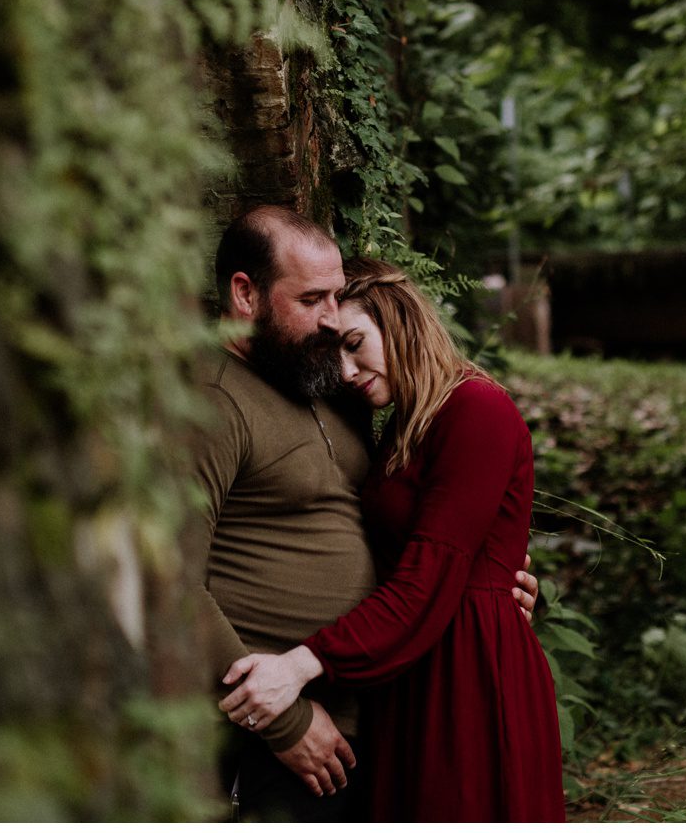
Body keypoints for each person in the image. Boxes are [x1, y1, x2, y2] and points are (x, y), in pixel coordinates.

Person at [186, 207, 536, 821]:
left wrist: (495, 574)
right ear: (245, 293)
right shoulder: (211, 401)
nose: (329, 319)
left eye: (338, 300)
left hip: (384, 702)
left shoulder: (325, 385)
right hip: (280, 726)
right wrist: (285, 722)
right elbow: (169, 579)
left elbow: (422, 529)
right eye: (312, 298)